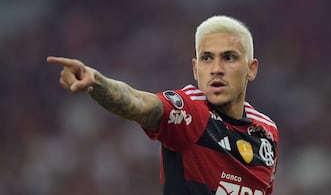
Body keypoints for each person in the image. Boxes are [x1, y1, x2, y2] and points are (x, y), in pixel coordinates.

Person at [48, 15, 279, 195]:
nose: (216, 68)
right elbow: (140, 103)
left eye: (229, 58)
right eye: (207, 58)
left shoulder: (267, 132)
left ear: (251, 69)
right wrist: (97, 82)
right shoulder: (191, 111)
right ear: (195, 69)